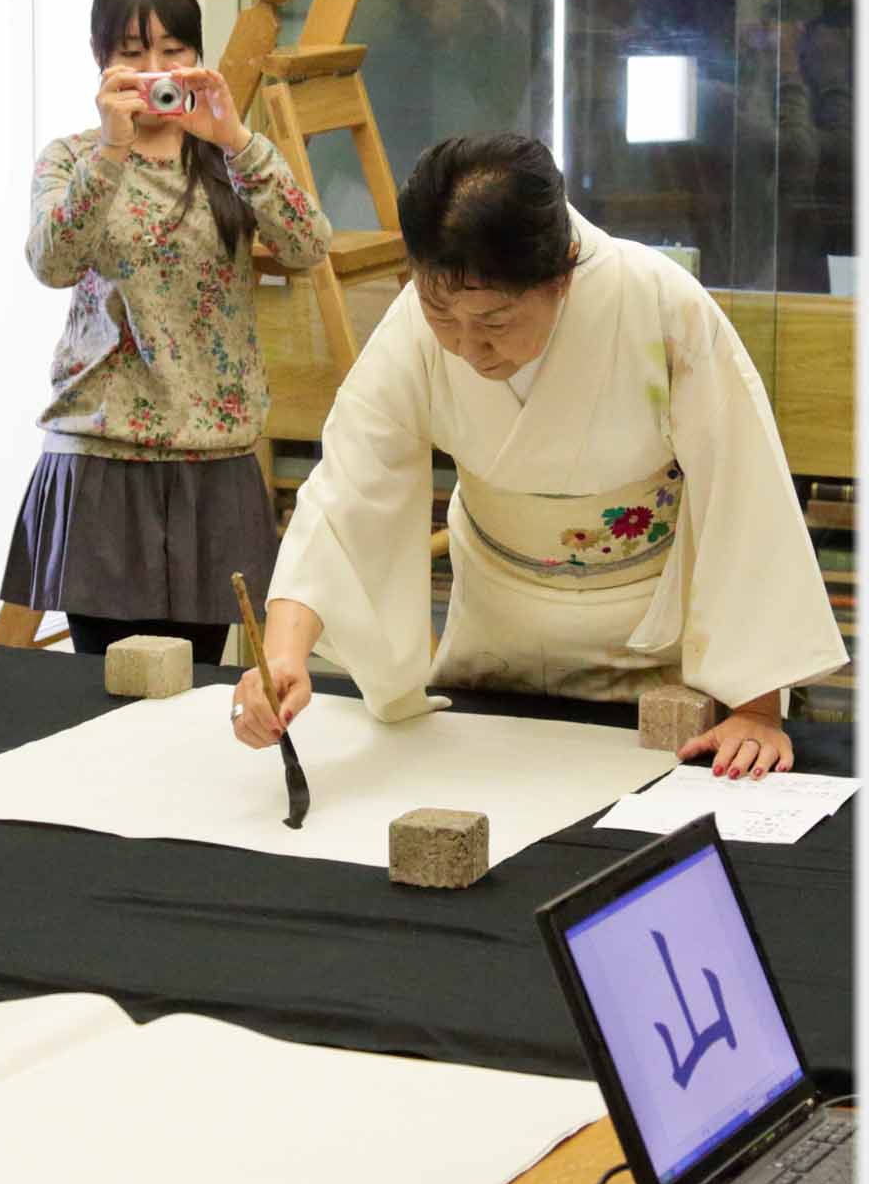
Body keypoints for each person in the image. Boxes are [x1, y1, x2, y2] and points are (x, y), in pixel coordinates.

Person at [231, 132, 846, 769]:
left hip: (653, 650)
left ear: (563, 273)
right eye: (442, 316)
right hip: (497, 639)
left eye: (493, 322)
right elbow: (346, 491)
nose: (468, 348)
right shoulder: (417, 322)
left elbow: (742, 489)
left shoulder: (657, 304)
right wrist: (282, 654)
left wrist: (755, 709)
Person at [0, 0, 331, 661]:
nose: (154, 67)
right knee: (103, 690)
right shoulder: (72, 158)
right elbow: (51, 264)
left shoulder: (225, 157)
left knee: (198, 690)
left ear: (195, 57)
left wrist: (237, 139)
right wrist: (113, 149)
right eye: (131, 52)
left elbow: (308, 246)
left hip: (213, 458)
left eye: (173, 50)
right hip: (101, 456)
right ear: (101, 62)